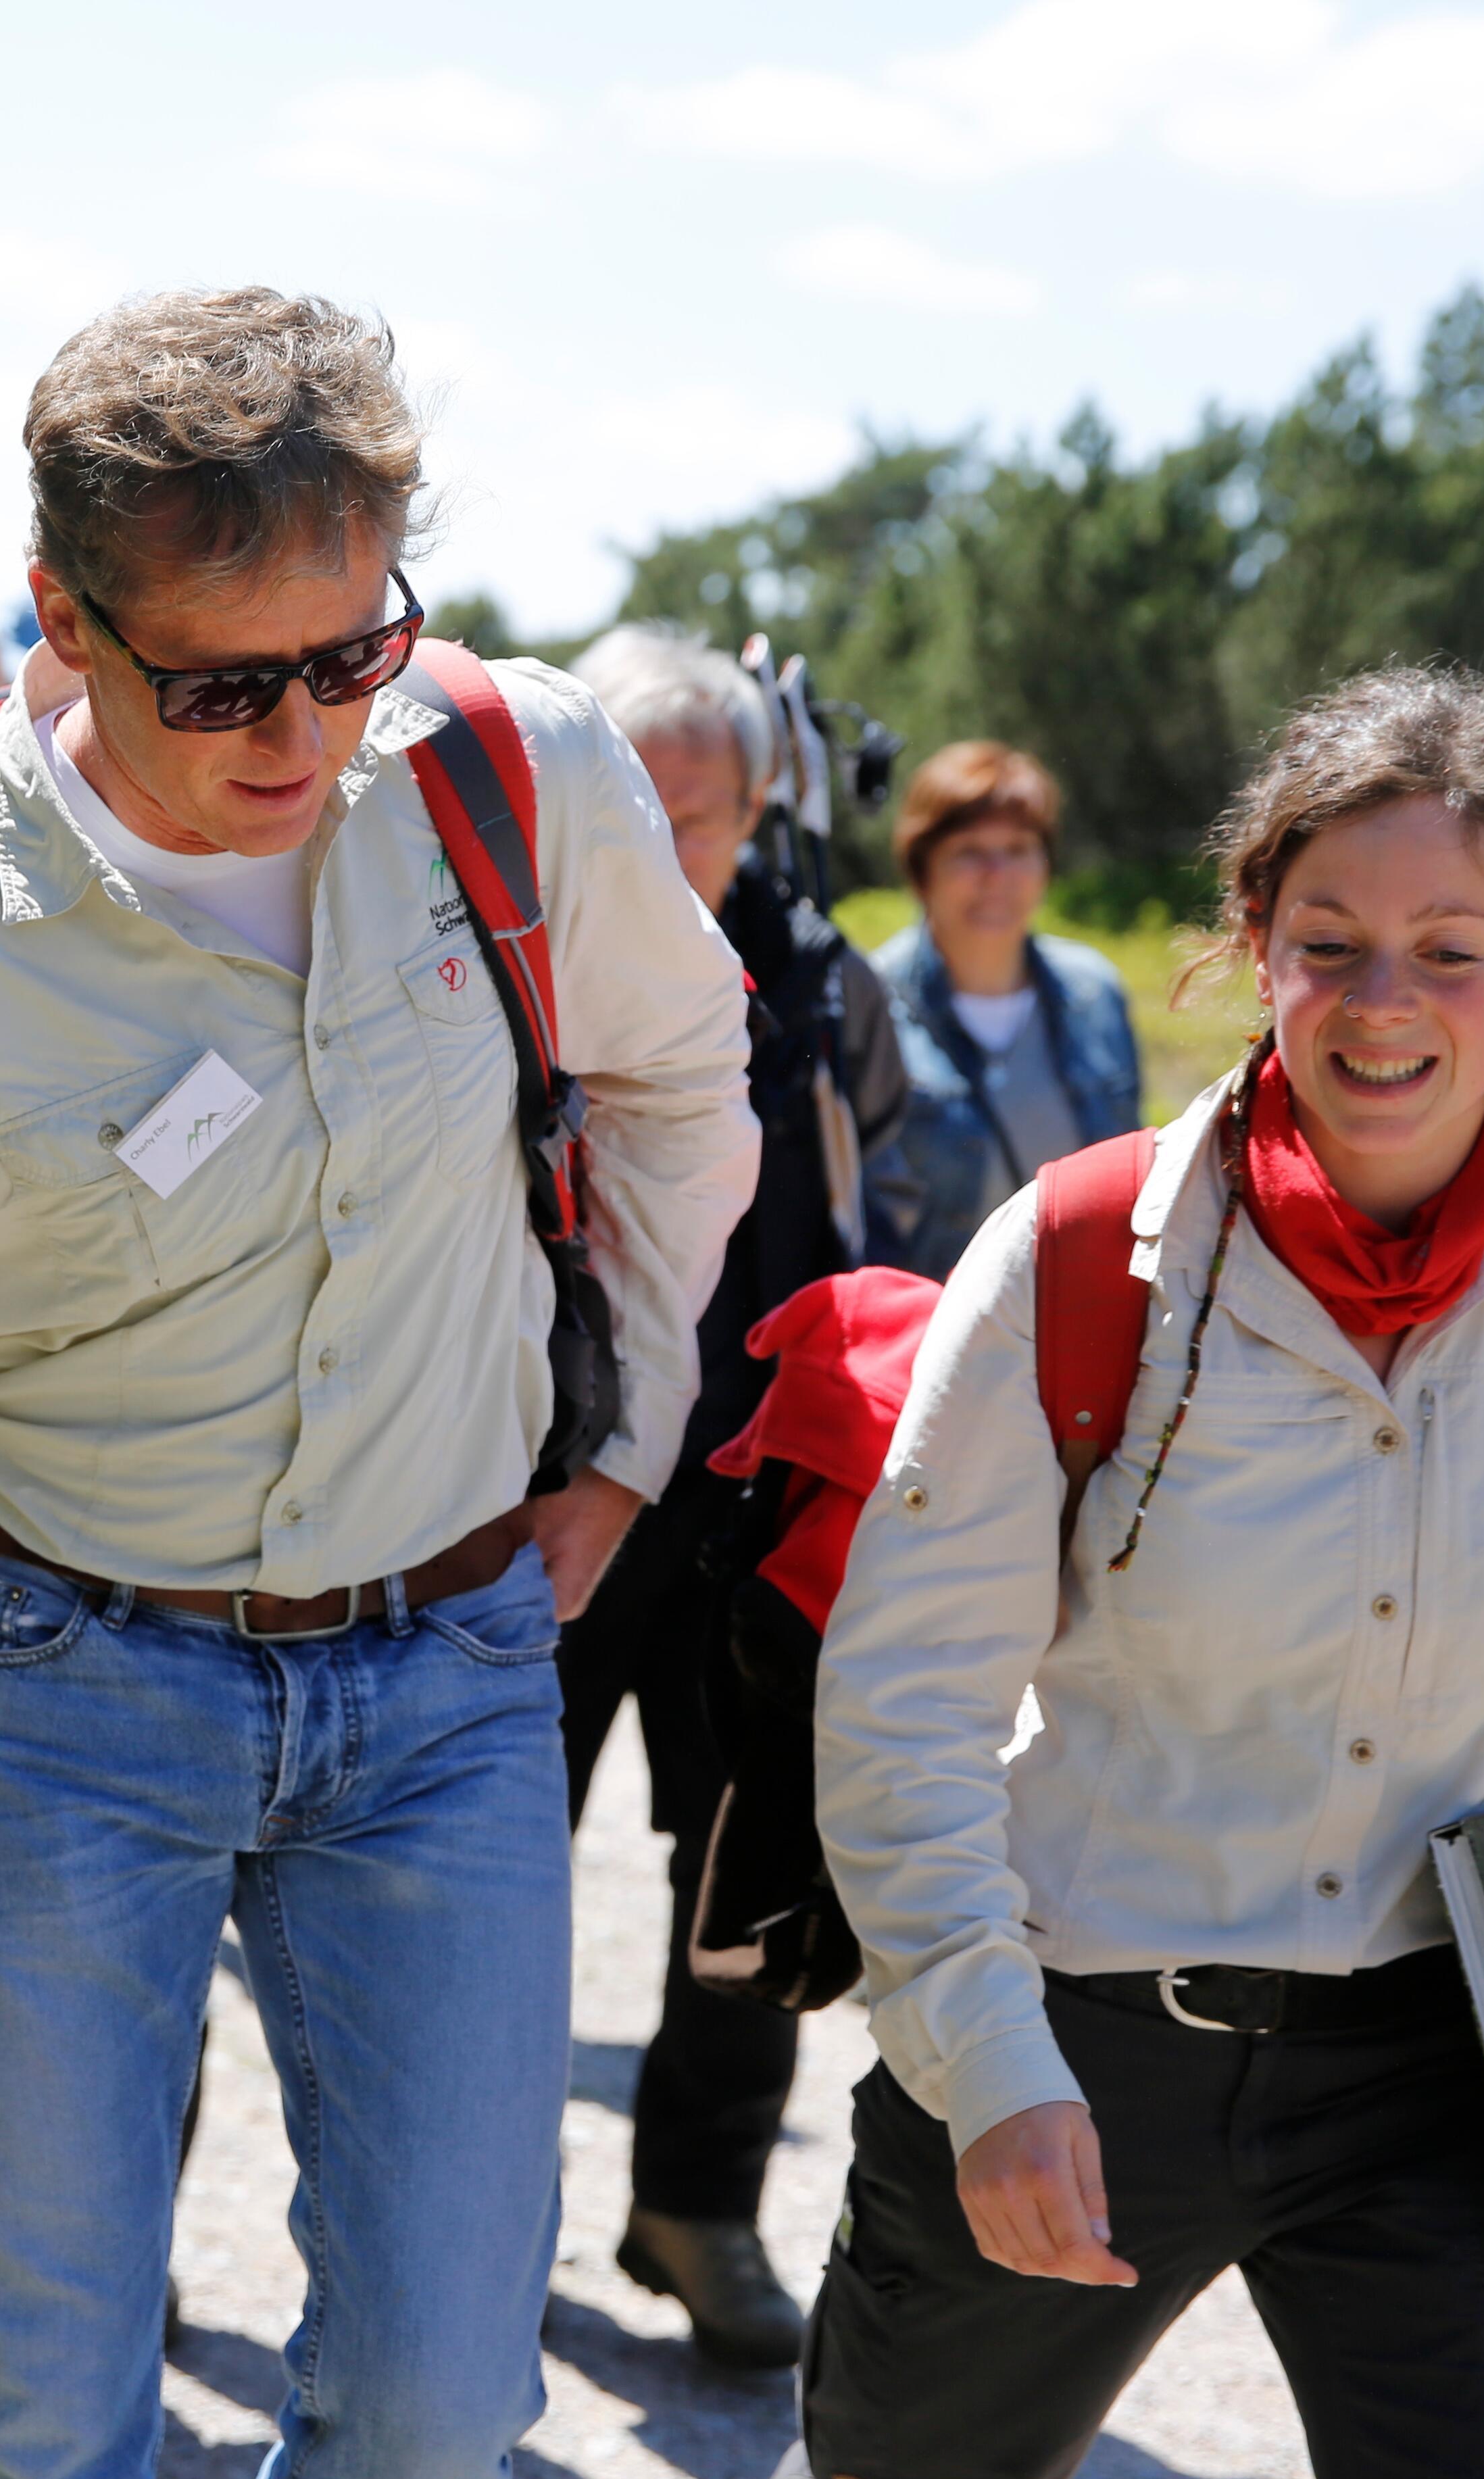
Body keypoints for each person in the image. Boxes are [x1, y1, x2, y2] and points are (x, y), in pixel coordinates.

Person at [0, 287, 757, 2479]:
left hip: (443, 1692)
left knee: (441, 2442)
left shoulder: (507, 774)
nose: (302, 732)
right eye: (223, 682)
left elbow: (677, 1077)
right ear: (64, 621)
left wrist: (621, 1439)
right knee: (43, 2468)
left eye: (350, 657)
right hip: (64, 1700)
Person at [714, 666, 1484, 2479]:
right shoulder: (1080, 1256)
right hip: (1072, 2032)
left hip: (1436, 2072)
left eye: (1454, 948)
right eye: (1327, 940)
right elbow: (913, 1700)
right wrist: (987, 2063)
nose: (1381, 1002)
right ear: (1252, 943)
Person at [560, 624, 906, 2369]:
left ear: (761, 808)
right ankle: (447, 2240)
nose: (677, 847)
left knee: (747, 1895)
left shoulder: (829, 989)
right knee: (464, 1897)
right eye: (644, 807)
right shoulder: (514, 967)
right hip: (529, 1512)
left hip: (745, 1526)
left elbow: (884, 1230)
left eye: (709, 813)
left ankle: (699, 2212)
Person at [864, 743, 1141, 1279]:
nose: (997, 873)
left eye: (1017, 848)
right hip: (929, 1334)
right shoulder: (870, 1003)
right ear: (922, 869)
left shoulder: (1096, 991)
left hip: (1080, 1324)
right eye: (968, 851)